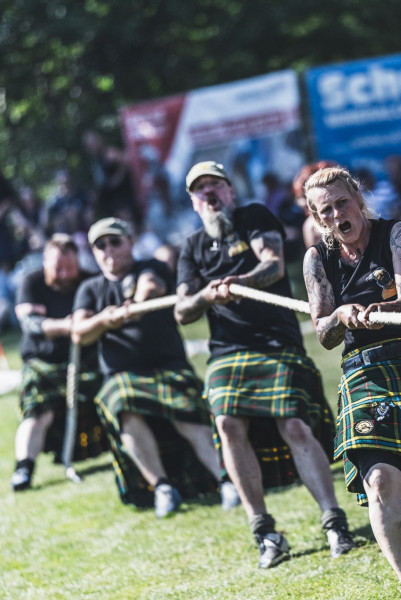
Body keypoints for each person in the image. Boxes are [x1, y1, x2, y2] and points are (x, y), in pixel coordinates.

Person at [174, 161, 356, 568]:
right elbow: (182, 310)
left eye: (215, 185)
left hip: (276, 342)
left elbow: (272, 264)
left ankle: (334, 522)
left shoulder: (253, 217)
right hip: (227, 350)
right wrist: (206, 295)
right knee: (226, 423)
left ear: (229, 191)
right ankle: (265, 532)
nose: (209, 193)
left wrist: (239, 283)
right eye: (201, 189)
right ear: (193, 201)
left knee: (294, 424)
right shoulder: (192, 248)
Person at [302, 166, 401, 600]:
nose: (337, 215)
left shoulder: (396, 234)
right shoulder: (317, 259)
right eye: (326, 211)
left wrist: (380, 310)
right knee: (379, 480)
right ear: (317, 218)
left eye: (342, 203)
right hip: (363, 371)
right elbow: (323, 333)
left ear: (358, 200)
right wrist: (341, 316)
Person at [72, 217, 231, 517]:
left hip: (169, 367)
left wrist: (133, 305)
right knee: (123, 406)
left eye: (115, 241)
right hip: (122, 376)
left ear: (130, 242)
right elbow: (79, 333)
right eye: (100, 245)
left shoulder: (150, 267)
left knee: (188, 415)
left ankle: (228, 481)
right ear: (93, 252)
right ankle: (162, 488)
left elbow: (152, 286)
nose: (108, 249)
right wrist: (104, 320)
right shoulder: (90, 289)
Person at [11, 234, 107, 491]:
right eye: (57, 268)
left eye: (70, 267)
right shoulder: (32, 282)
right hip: (43, 362)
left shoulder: (90, 281)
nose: (64, 274)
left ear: (78, 261)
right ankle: (23, 470)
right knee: (37, 410)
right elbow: (30, 323)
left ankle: (128, 452)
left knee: (111, 397)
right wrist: (66, 326)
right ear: (45, 261)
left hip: (87, 361)